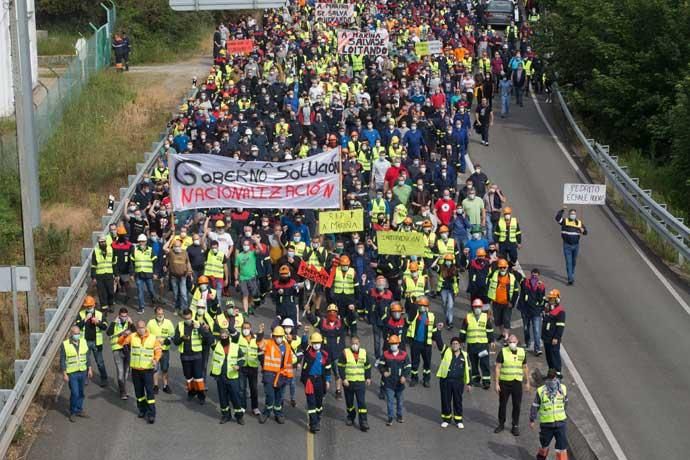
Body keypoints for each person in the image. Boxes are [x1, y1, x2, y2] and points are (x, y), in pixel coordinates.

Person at [117, 320, 162, 424]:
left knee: (150, 392)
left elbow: (158, 350)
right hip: (136, 370)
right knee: (139, 392)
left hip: (147, 370)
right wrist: (124, 335)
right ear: (136, 328)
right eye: (139, 328)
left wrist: (156, 359)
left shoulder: (153, 338)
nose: (141, 330)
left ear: (145, 327)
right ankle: (142, 410)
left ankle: (151, 414)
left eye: (142, 327)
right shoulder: (132, 336)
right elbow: (120, 342)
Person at [173, 308, 215, 404]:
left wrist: (200, 329)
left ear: (192, 316)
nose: (187, 320)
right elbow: (175, 342)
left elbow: (209, 340)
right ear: (183, 317)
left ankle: (201, 395)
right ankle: (191, 392)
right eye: (185, 318)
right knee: (188, 377)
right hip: (185, 356)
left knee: (198, 377)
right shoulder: (179, 326)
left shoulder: (198, 324)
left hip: (197, 356)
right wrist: (182, 338)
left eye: (189, 318)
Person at [494, 334, 530, 436]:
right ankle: (501, 424)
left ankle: (515, 425)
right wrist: (496, 383)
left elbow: (525, 367)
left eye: (513, 342)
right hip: (504, 383)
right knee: (502, 404)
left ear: (517, 341)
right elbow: (497, 368)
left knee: (517, 405)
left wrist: (527, 382)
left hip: (517, 383)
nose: (512, 344)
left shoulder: (522, 352)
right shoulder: (503, 352)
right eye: (510, 342)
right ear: (507, 343)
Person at [530, 369, 569, 460]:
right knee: (544, 446)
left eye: (553, 378)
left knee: (561, 449)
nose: (552, 381)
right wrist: (532, 419)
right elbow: (535, 405)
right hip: (547, 424)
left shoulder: (562, 388)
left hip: (560, 423)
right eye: (551, 379)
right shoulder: (541, 391)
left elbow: (565, 402)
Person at [259, 325, 294, 424]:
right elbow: (259, 344)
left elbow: (289, 362)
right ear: (273, 336)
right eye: (276, 336)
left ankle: (278, 413)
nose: (278, 338)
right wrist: (261, 333)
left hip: (282, 375)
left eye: (280, 336)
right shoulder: (268, 343)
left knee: (279, 397)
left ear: (283, 336)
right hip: (269, 374)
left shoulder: (287, 347)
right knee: (270, 396)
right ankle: (266, 412)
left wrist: (289, 376)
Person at [210, 328, 246, 424]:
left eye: (225, 336)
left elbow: (242, 358)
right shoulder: (216, 345)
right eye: (222, 337)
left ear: (228, 336)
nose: (224, 338)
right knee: (223, 397)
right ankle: (226, 415)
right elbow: (207, 337)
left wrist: (239, 365)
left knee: (235, 397)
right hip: (220, 375)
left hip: (232, 376)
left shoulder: (235, 346)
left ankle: (239, 416)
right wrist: (204, 329)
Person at [406, 296, 443, 387]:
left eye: (424, 305)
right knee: (415, 362)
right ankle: (414, 378)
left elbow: (434, 330)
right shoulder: (414, 314)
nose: (422, 307)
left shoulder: (431, 316)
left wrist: (436, 341)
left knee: (427, 363)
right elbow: (408, 321)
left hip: (426, 344)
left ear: (427, 307)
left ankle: (426, 379)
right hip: (415, 342)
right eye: (420, 305)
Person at [337, 336, 372, 431]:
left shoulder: (363, 353)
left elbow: (367, 366)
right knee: (349, 402)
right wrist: (344, 379)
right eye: (353, 344)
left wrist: (368, 377)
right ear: (350, 344)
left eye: (356, 343)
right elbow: (340, 366)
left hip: (360, 382)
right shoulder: (345, 353)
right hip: (348, 382)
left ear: (359, 343)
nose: (354, 345)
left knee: (361, 403)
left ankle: (363, 422)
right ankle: (351, 416)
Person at [437, 336, 471, 429]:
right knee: (445, 400)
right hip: (446, 380)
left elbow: (468, 369)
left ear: (460, 345)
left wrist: (469, 383)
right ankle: (446, 419)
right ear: (451, 345)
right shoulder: (446, 351)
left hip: (458, 382)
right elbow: (439, 342)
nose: (455, 345)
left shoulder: (465, 355)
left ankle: (458, 420)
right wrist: (438, 331)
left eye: (456, 344)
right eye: (453, 344)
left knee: (458, 400)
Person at [460, 298, 495, 389]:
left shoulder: (485, 317)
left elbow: (489, 330)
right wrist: (462, 341)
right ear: (472, 307)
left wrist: (491, 341)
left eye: (479, 307)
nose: (477, 309)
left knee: (484, 363)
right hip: (472, 345)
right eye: (475, 307)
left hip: (483, 345)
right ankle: (476, 378)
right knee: (474, 363)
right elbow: (463, 330)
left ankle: (486, 381)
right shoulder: (468, 317)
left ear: (482, 307)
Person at [60, 325, 93, 422]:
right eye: (75, 334)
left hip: (82, 371)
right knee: (75, 392)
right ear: (71, 334)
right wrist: (64, 373)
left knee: (81, 392)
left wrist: (90, 368)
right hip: (72, 373)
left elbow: (87, 356)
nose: (77, 335)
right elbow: (62, 360)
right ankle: (73, 411)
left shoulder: (83, 342)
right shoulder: (65, 344)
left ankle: (79, 409)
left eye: (79, 333)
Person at [301, 331, 331, 433]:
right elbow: (303, 344)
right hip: (310, 380)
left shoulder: (324, 354)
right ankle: (313, 424)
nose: (316, 345)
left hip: (320, 381)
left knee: (319, 403)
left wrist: (327, 381)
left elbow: (327, 368)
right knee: (311, 403)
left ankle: (317, 418)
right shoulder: (308, 351)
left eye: (318, 343)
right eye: (314, 343)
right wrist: (304, 335)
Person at [75, 296, 108, 387]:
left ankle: (104, 378)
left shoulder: (99, 314)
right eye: (87, 306)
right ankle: (85, 378)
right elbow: (77, 327)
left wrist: (98, 322)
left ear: (94, 305)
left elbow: (105, 327)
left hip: (96, 342)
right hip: (84, 342)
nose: (89, 308)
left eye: (90, 306)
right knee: (84, 361)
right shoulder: (81, 314)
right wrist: (85, 319)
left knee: (100, 362)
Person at [378, 335, 411, 425]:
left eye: (395, 343)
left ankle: (399, 415)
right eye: (392, 343)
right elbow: (380, 365)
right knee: (390, 402)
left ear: (398, 343)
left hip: (399, 383)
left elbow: (408, 367)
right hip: (389, 382)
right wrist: (383, 372)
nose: (393, 345)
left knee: (400, 402)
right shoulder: (385, 354)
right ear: (389, 344)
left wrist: (404, 376)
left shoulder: (404, 355)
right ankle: (390, 417)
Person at [487, 259, 520, 342]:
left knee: (506, 320)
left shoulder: (511, 278)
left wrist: (512, 303)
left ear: (507, 267)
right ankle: (502, 333)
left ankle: (506, 336)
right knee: (498, 320)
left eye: (504, 267)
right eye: (501, 267)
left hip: (507, 303)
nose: (502, 269)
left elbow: (516, 291)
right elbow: (488, 286)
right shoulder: (493, 275)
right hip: (496, 302)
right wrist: (489, 299)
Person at [107, 307, 136, 399]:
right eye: (122, 316)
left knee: (126, 371)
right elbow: (109, 333)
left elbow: (136, 332)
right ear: (119, 315)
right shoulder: (115, 324)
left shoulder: (129, 323)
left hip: (127, 349)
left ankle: (124, 388)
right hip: (117, 349)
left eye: (125, 316)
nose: (124, 318)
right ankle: (122, 392)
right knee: (120, 372)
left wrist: (131, 322)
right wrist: (114, 322)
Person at [555, 207, 588, 285]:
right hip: (567, 245)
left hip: (576, 246)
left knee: (574, 262)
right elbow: (557, 218)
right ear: (569, 214)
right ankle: (570, 278)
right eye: (571, 214)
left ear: (576, 215)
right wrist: (562, 210)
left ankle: (571, 273)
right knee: (568, 262)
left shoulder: (579, 223)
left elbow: (586, 232)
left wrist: (583, 231)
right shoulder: (565, 221)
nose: (573, 215)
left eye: (574, 214)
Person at [146, 306, 175, 394]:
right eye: (158, 314)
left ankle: (166, 385)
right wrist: (155, 341)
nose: (160, 315)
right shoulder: (150, 323)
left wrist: (166, 341)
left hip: (165, 350)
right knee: (155, 368)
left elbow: (172, 335)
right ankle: (155, 386)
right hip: (154, 350)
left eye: (162, 314)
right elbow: (146, 335)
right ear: (155, 314)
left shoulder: (168, 323)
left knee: (165, 368)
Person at [239, 321, 265, 416]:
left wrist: (263, 366)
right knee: (242, 388)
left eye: (247, 328)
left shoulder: (255, 339)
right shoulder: (239, 338)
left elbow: (261, 353)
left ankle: (255, 407)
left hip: (253, 368)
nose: (245, 330)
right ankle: (243, 406)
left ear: (250, 329)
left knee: (254, 388)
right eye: (244, 328)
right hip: (242, 367)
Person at [518, 269, 546, 355]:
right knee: (526, 329)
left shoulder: (541, 286)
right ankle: (527, 343)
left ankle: (537, 349)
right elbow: (522, 294)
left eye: (536, 275)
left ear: (538, 276)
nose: (534, 277)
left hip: (536, 311)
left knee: (536, 331)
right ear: (531, 275)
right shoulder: (525, 283)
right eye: (533, 275)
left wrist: (542, 310)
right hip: (526, 311)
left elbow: (542, 299)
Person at [542, 290, 566, 378]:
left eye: (552, 299)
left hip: (553, 339)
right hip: (546, 338)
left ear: (557, 300)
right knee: (549, 356)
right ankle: (551, 373)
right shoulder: (548, 309)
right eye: (550, 299)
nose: (550, 301)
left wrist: (556, 337)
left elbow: (560, 326)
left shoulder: (560, 311)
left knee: (554, 355)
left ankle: (558, 373)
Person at [133, 233, 157, 314]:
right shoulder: (135, 250)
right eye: (140, 241)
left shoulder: (150, 250)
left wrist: (155, 273)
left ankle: (153, 301)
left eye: (143, 241)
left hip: (148, 275)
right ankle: (141, 307)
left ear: (146, 241)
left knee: (151, 290)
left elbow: (155, 262)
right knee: (140, 292)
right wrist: (132, 274)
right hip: (138, 275)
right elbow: (131, 263)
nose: (141, 243)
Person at [91, 235, 115, 313]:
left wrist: (116, 274)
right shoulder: (96, 251)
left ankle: (111, 304)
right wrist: (93, 277)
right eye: (101, 242)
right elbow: (93, 265)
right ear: (99, 243)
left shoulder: (111, 249)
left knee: (110, 291)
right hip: (99, 275)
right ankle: (104, 308)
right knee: (102, 292)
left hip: (109, 274)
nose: (103, 243)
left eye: (104, 241)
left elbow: (114, 263)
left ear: (106, 242)